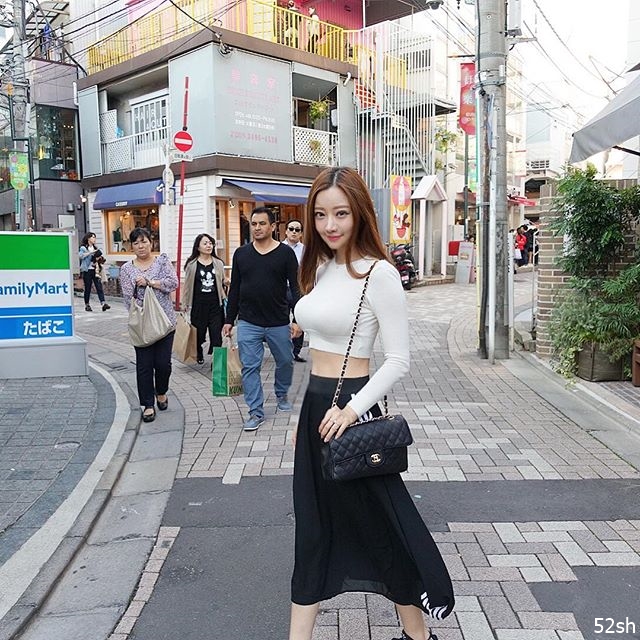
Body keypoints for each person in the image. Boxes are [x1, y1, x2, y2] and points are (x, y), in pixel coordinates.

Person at [289, 167, 455, 640]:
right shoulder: (320, 267)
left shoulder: (379, 274)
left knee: (380, 527)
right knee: (312, 528)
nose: (330, 224)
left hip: (351, 409)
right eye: (320, 215)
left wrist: (352, 409)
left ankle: (418, 634)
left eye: (341, 213)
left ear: (360, 213)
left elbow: (399, 359)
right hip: (316, 407)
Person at [222, 207, 302, 432]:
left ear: (273, 226)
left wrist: (298, 319)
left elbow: (296, 288)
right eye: (254, 224)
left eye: (262, 223)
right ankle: (255, 411)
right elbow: (235, 289)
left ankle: (281, 393)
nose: (257, 228)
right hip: (248, 321)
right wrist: (229, 320)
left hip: (278, 321)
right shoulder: (241, 254)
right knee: (250, 367)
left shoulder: (285, 254)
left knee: (285, 361)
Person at [120, 228, 179, 423]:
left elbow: (173, 283)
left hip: (165, 321)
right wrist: (139, 313)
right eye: (136, 243)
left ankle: (161, 391)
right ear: (131, 246)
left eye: (144, 241)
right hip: (142, 324)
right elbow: (127, 297)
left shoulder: (162, 262)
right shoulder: (126, 269)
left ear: (151, 243)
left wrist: (150, 282)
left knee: (163, 364)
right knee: (144, 366)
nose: (141, 246)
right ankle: (147, 404)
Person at [181, 234, 227, 365]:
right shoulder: (192, 265)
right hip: (198, 305)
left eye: (210, 243)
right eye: (205, 243)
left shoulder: (218, 263)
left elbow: (222, 280)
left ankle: (217, 364)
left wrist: (226, 282)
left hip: (215, 305)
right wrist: (184, 303)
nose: (209, 246)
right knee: (198, 335)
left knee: (216, 336)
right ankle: (198, 351)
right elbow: (188, 286)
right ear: (198, 247)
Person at [282, 219, 306, 362]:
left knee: (299, 318)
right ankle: (283, 350)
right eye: (291, 229)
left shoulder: (305, 250)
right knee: (282, 320)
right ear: (286, 231)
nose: (294, 232)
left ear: (301, 233)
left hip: (298, 288)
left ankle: (296, 351)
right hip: (281, 288)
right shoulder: (278, 248)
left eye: (297, 230)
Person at [79, 232, 110, 312]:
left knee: (99, 287)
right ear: (88, 238)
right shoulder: (83, 248)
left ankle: (103, 304)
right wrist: (90, 253)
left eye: (95, 237)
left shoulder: (95, 248)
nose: (94, 239)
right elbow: (81, 256)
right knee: (88, 288)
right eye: (93, 237)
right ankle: (87, 304)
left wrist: (99, 258)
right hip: (87, 271)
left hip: (96, 270)